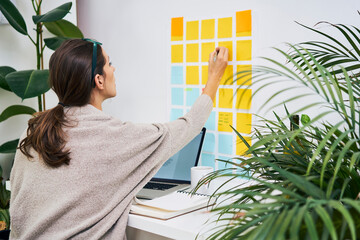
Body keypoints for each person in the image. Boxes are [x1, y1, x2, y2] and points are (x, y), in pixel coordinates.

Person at [9, 38, 228, 239]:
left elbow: (18, 207)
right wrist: (215, 76)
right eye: (109, 63)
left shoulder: (33, 131)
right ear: (99, 80)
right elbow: (190, 124)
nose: (114, 69)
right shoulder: (112, 135)